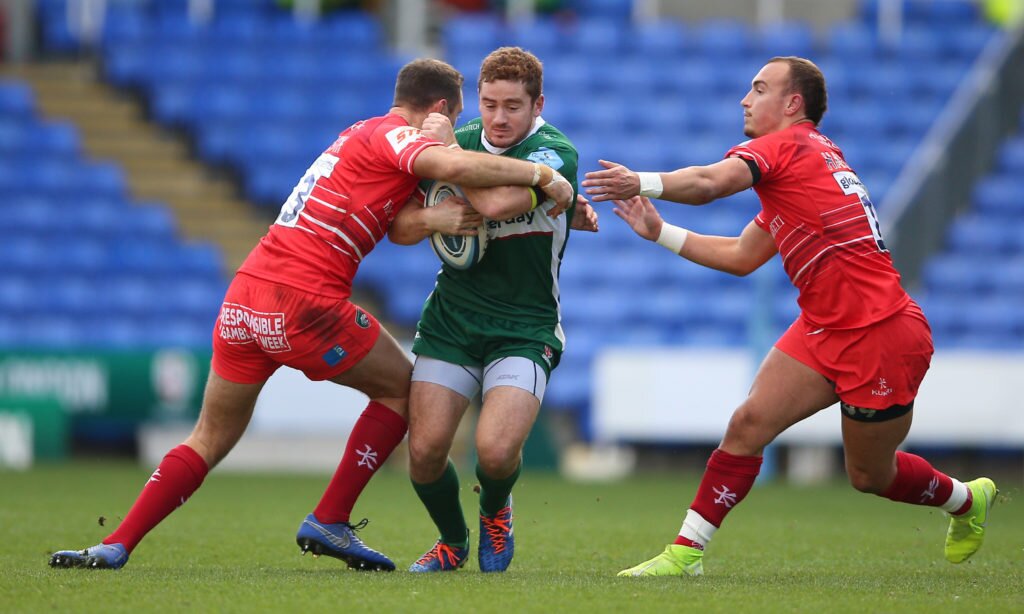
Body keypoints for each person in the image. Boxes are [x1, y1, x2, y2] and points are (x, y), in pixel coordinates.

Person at [49, 57, 574, 572]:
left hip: (245, 295)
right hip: (304, 301)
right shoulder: (404, 139)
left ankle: (116, 544)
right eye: (464, 113)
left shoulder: (357, 133)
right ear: (440, 108)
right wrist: (541, 175)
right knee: (400, 390)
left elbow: (408, 212)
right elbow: (455, 166)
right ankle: (331, 517)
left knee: (207, 435)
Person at [581, 56, 997, 577]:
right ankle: (686, 554)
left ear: (792, 103)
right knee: (748, 423)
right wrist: (660, 232)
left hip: (880, 333)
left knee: (869, 474)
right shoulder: (802, 166)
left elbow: (710, 183)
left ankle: (964, 499)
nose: (745, 99)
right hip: (824, 326)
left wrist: (639, 181)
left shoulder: (788, 146)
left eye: (758, 88)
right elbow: (741, 256)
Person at [388, 46, 591, 572]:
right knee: (426, 453)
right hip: (453, 320)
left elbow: (499, 203)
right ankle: (452, 542)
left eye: (512, 106)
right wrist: (435, 220)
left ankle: (496, 509)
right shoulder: (463, 140)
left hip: (524, 327)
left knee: (496, 453)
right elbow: (398, 227)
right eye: (489, 103)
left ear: (537, 104)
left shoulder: (554, 153)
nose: (498, 118)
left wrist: (449, 152)